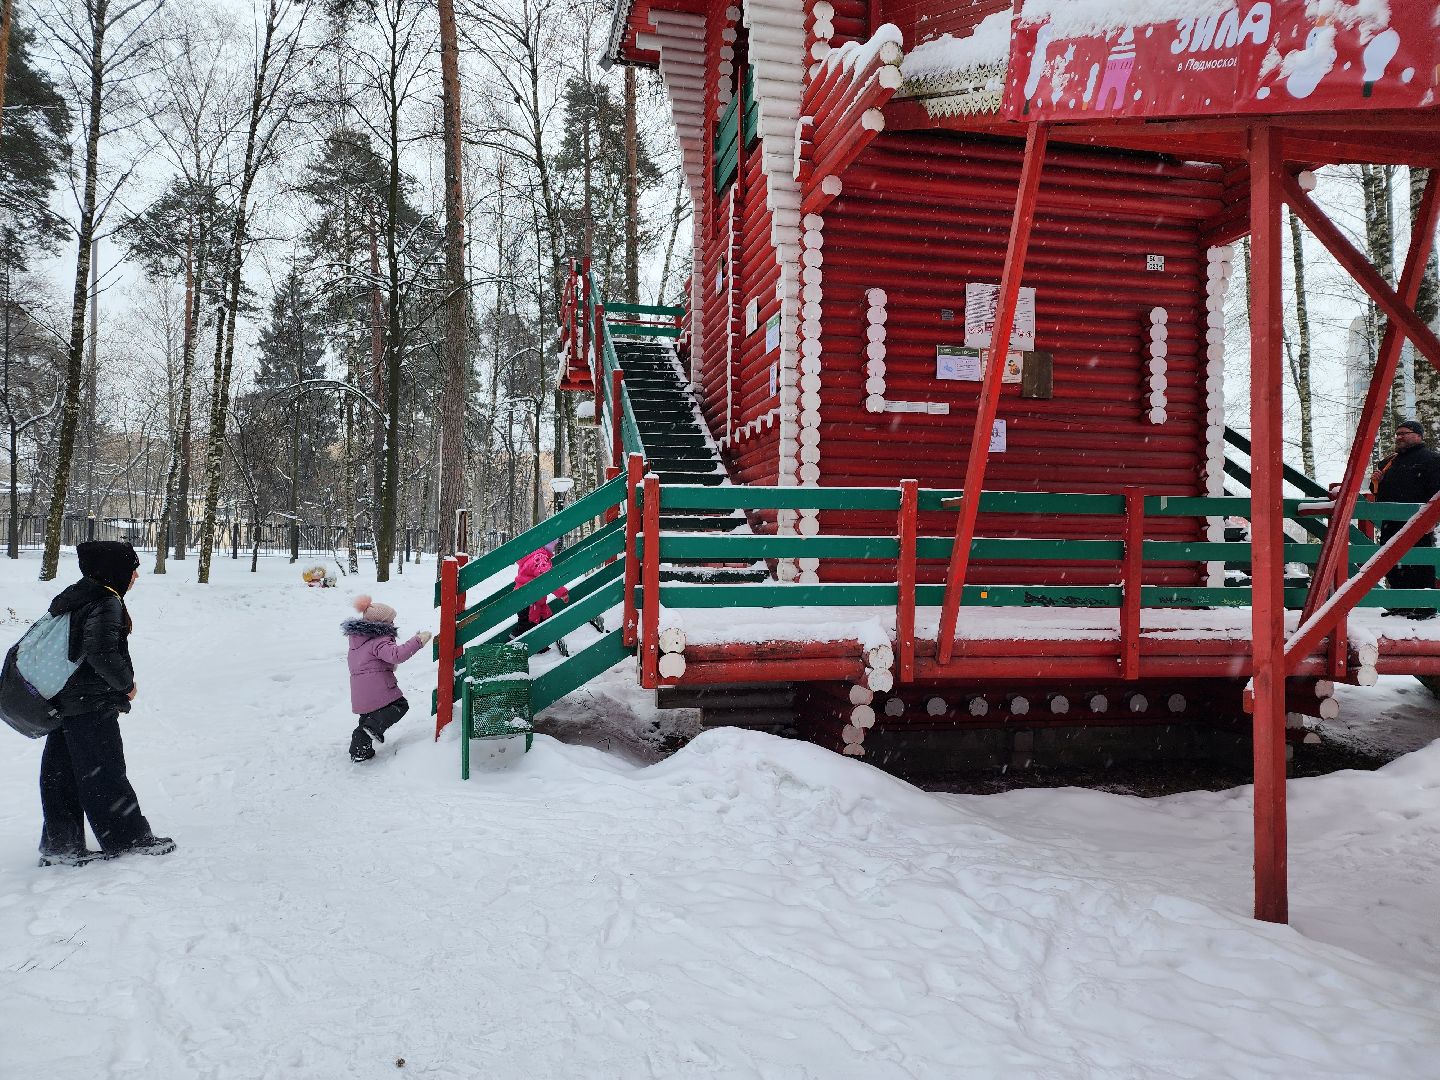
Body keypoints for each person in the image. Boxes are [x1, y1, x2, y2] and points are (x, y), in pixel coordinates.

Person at [38, 541, 174, 866]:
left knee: (62, 773)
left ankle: (62, 846)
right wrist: (126, 685)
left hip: (64, 698)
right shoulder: (105, 600)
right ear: (115, 569)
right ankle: (127, 839)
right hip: (88, 702)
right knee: (104, 771)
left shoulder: (75, 596)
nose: (136, 575)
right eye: (132, 567)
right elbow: (101, 652)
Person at [344, 595, 431, 762]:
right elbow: (396, 655)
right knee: (399, 705)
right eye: (391, 621)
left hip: (360, 691)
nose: (393, 624)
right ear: (381, 624)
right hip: (377, 687)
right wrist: (418, 641)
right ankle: (369, 730)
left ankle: (360, 751)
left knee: (368, 717)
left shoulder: (358, 641)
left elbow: (367, 662)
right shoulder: (379, 639)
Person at [1371, 418, 1440, 619]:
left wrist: (1432, 520)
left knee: (1419, 563)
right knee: (1393, 563)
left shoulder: (1432, 459)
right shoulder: (1388, 462)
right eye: (1397, 434)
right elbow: (1378, 494)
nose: (1399, 437)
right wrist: (1377, 482)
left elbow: (1437, 491)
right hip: (1390, 522)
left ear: (1418, 435)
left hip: (1419, 521)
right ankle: (1399, 603)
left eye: (1404, 433)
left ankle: (1425, 606)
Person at [509, 541, 569, 642]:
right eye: (553, 545)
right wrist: (562, 592)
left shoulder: (534, 555)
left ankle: (541, 646)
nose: (553, 548)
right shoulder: (539, 558)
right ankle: (509, 646)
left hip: (531, 598)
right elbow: (548, 578)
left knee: (544, 617)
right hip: (529, 600)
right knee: (526, 626)